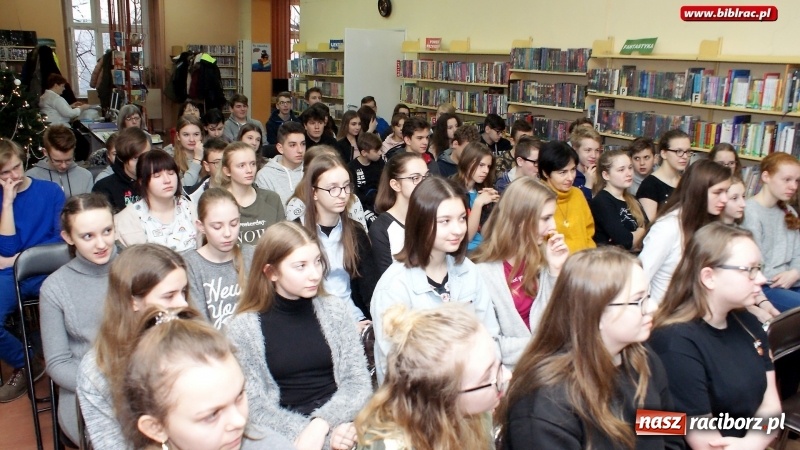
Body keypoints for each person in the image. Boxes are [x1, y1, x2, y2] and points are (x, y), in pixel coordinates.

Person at [498, 247, 680, 450]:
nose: (653, 307)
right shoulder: (546, 403)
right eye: (638, 300)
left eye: (648, 296)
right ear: (596, 313)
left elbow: (669, 438)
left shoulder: (643, 360)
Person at [225, 221, 373, 450]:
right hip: (285, 436)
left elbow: (358, 382)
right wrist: (314, 436)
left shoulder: (334, 310)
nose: (315, 274)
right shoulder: (243, 329)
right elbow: (255, 407)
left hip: (344, 422)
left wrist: (324, 424)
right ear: (271, 272)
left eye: (317, 262)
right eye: (300, 266)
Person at [649, 223, 781, 449]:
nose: (761, 278)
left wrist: (752, 443)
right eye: (749, 269)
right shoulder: (674, 342)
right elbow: (706, 442)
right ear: (709, 277)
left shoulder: (747, 322)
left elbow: (772, 407)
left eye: (759, 268)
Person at [370, 176, 500, 384]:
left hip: (474, 385)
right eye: (445, 221)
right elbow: (396, 366)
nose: (458, 230)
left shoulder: (468, 271)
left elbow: (490, 335)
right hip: (422, 400)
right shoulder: (394, 286)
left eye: (461, 218)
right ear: (421, 223)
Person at [116, 308, 295, 450]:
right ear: (157, 428)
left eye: (239, 396)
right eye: (212, 415)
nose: (239, 421)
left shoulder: (273, 445)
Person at [76, 244, 192, 449]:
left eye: (184, 292)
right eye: (169, 296)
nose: (183, 304)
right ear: (133, 301)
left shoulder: (193, 342)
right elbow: (110, 444)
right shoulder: (96, 369)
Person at [355, 304, 505, 450]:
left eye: (498, 364)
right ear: (446, 397)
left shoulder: (477, 413)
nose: (507, 376)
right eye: (487, 377)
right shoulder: (389, 445)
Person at [39, 193, 117, 443]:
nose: (101, 243)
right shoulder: (55, 288)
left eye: (107, 231)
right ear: (68, 238)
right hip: (87, 391)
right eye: (88, 236)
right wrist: (105, 386)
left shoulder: (137, 267)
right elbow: (57, 363)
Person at [472, 177, 569, 368]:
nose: (553, 227)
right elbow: (493, 346)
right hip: (513, 376)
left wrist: (555, 273)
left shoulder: (544, 258)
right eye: (546, 219)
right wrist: (548, 344)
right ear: (520, 221)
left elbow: (560, 323)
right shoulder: (482, 273)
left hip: (550, 366)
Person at [0, 139, 64, 402]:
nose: (14, 176)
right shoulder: (3, 196)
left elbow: (59, 241)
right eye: (4, 173)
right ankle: (28, 360)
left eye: (16, 167)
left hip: (45, 270)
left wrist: (18, 259)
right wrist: (7, 204)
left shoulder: (50, 192)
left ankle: (45, 350)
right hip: (8, 274)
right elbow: (7, 247)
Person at [296, 153, 378, 324]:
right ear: (314, 193)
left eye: (346, 186)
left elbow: (371, 288)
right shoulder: (294, 233)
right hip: (313, 324)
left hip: (354, 317)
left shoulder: (355, 232)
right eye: (333, 188)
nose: (342, 194)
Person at [639, 159, 731, 305]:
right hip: (666, 315)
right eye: (718, 192)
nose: (725, 199)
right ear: (698, 192)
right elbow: (640, 279)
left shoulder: (711, 224)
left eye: (727, 191)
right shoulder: (667, 228)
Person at [184, 188, 254, 328]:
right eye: (217, 227)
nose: (228, 233)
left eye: (234, 224)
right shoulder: (190, 264)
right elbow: (200, 323)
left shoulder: (251, 255)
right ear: (201, 226)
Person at [742, 152, 800, 312]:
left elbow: (798, 254)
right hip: (767, 286)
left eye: (796, 181)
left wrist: (795, 273)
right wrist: (786, 276)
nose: (793, 186)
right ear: (766, 176)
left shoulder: (789, 211)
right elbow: (754, 265)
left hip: (793, 281)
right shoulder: (750, 213)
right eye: (787, 180)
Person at [113, 149, 197, 251]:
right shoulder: (127, 219)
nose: (167, 180)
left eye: (171, 173)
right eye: (157, 176)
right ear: (141, 182)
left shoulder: (190, 208)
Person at [369, 152, 428, 278]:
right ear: (395, 185)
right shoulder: (381, 228)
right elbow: (387, 280)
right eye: (415, 178)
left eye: (426, 176)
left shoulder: (434, 216)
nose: (425, 184)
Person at [285, 146, 370, 231]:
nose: (343, 195)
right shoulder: (297, 204)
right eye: (326, 164)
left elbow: (363, 234)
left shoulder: (353, 200)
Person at [217, 142, 284, 246]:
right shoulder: (216, 203)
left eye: (252, 164)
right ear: (227, 171)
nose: (249, 170)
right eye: (241, 165)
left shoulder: (272, 199)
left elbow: (283, 242)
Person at [538, 140, 595, 253]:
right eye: (562, 172)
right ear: (545, 173)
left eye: (573, 170)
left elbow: (589, 232)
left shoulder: (577, 194)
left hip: (583, 263)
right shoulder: (537, 198)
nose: (570, 178)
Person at [590, 150, 648, 251]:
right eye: (621, 170)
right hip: (611, 261)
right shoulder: (602, 201)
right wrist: (641, 231)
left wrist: (636, 235)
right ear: (606, 175)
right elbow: (625, 242)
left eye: (630, 168)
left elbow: (650, 232)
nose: (629, 173)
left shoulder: (633, 199)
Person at [637, 130, 692, 221]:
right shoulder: (650, 185)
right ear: (664, 153)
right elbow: (650, 227)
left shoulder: (686, 183)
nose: (685, 156)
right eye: (679, 151)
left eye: (688, 151)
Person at [92, 127, 151, 212]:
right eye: (136, 158)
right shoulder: (103, 188)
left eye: (147, 156)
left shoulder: (158, 181)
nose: (142, 162)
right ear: (123, 158)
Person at [27, 124, 94, 197]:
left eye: (68, 160)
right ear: (45, 152)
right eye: (57, 161)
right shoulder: (31, 177)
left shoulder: (85, 176)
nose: (63, 166)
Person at [455, 143, 498, 252]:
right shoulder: (452, 190)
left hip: (485, 248)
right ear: (467, 162)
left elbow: (486, 232)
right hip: (464, 252)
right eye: (481, 165)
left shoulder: (482, 190)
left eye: (488, 166)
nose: (486, 171)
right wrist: (478, 204)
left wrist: (496, 206)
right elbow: (467, 238)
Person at [256, 121, 306, 206]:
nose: (300, 150)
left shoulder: (313, 169)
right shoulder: (265, 176)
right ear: (280, 148)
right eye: (293, 145)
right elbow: (267, 213)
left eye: (303, 144)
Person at [348, 133, 384, 227]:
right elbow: (354, 194)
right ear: (364, 153)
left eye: (380, 149)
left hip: (380, 202)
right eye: (376, 151)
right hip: (362, 206)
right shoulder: (352, 168)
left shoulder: (380, 163)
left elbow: (385, 183)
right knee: (374, 223)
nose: (380, 153)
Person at [167, 115, 205, 187]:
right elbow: (183, 188)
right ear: (178, 136)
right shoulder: (169, 156)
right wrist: (197, 159)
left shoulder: (208, 153)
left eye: (196, 134)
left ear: (201, 136)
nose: (191, 139)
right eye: (186, 135)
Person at [188, 137, 228, 204]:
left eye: (226, 161)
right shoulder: (195, 195)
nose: (224, 167)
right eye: (217, 162)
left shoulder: (241, 187)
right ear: (207, 166)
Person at [569, 126, 602, 202]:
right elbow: (578, 208)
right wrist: (588, 185)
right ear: (575, 149)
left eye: (597, 150)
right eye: (588, 150)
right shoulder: (570, 176)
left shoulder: (602, 173)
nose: (593, 155)